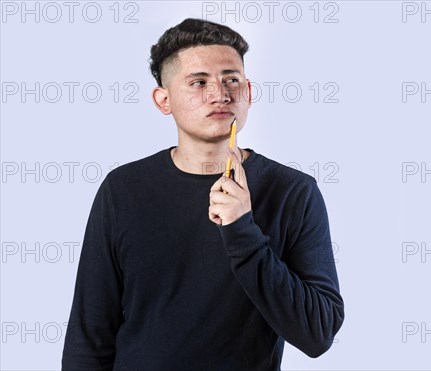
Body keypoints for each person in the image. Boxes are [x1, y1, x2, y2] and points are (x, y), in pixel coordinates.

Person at [61, 18, 344, 370]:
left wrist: (243, 230)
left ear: (249, 93)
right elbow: (89, 333)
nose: (220, 94)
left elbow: (317, 334)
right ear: (163, 100)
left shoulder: (293, 192)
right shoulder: (123, 190)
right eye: (199, 82)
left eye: (232, 80)